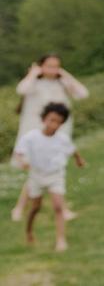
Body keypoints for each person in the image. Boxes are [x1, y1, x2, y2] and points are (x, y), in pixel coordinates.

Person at [11, 54, 88, 221]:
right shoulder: (34, 84)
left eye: (56, 66)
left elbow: (82, 93)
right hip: (37, 133)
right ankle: (21, 208)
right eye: (49, 66)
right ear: (41, 66)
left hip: (59, 133)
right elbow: (21, 89)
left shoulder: (62, 83)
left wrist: (65, 74)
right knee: (37, 171)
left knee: (55, 170)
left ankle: (53, 208)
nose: (53, 70)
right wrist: (33, 73)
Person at [13, 102, 86, 252]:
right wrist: (22, 163)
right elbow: (18, 153)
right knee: (35, 208)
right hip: (36, 177)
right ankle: (29, 231)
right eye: (51, 120)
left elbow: (73, 150)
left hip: (55, 176)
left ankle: (61, 240)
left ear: (62, 123)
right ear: (44, 119)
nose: (54, 124)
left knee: (58, 207)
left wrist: (79, 160)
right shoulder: (31, 137)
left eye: (58, 122)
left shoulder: (62, 139)